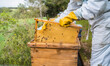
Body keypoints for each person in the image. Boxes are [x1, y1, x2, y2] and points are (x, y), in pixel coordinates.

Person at [54, 0, 110, 66]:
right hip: (99, 22)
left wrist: (73, 15)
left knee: (99, 59)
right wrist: (56, 21)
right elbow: (72, 7)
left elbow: (96, 6)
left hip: (105, 22)